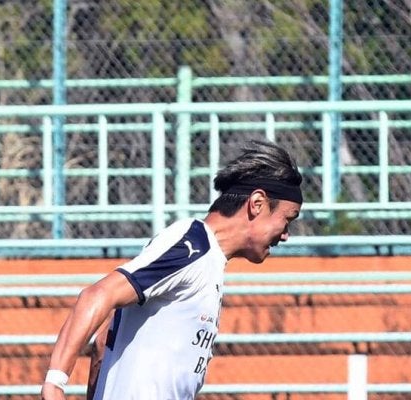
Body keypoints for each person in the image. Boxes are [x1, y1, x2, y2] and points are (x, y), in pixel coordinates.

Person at [41, 139, 304, 400]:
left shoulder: (209, 260)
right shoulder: (193, 245)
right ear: (257, 203)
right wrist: (55, 383)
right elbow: (97, 295)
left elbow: (103, 343)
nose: (286, 235)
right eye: (287, 219)